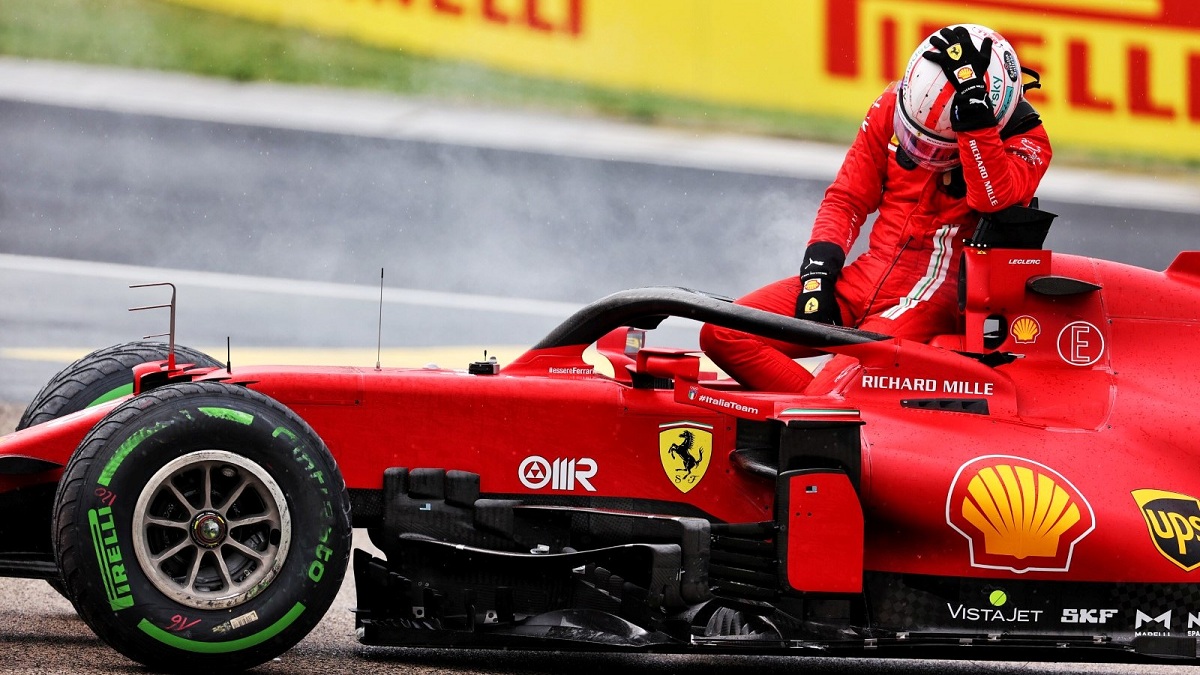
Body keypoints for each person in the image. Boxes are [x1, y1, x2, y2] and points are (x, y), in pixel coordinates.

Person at [699, 24, 1052, 391]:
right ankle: (812, 421)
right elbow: (847, 198)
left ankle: (819, 420)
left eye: (935, 147)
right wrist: (817, 273)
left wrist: (977, 129)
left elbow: (992, 198)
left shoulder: (1029, 141)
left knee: (839, 384)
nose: (920, 152)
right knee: (721, 333)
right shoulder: (894, 102)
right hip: (866, 276)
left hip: (931, 300)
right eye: (912, 136)